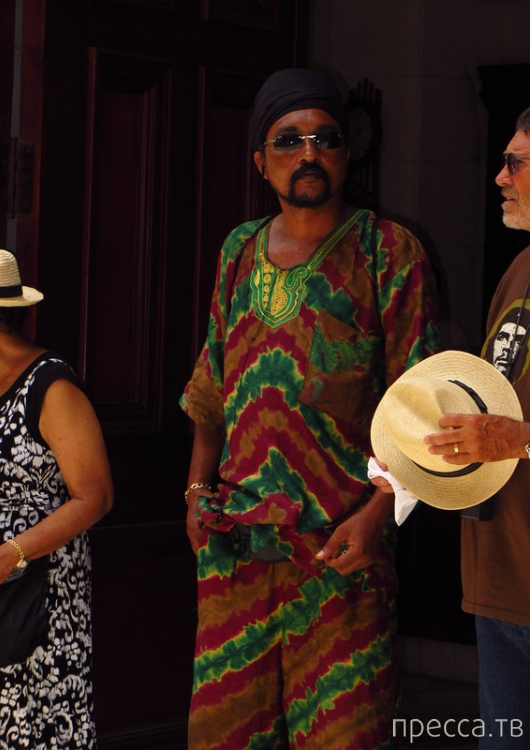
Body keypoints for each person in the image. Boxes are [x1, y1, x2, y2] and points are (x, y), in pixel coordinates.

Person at [180, 68, 440, 750]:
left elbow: (424, 408)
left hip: (340, 559)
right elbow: (211, 386)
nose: (308, 153)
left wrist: (379, 514)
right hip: (237, 555)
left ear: (346, 154)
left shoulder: (387, 252)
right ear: (260, 161)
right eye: (288, 140)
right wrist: (197, 490)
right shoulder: (238, 250)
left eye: (325, 138)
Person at [402, 107, 530, 748]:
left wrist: (521, 440)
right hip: (501, 573)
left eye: (516, 163)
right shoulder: (521, 267)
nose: (500, 178)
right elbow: (490, 400)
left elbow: (513, 431)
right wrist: (411, 454)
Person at [0, 247, 113, 749]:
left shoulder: (51, 386)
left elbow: (94, 498)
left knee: (32, 728)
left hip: (34, 600)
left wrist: (6, 557)